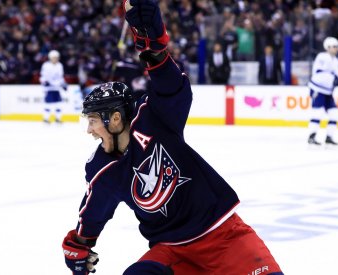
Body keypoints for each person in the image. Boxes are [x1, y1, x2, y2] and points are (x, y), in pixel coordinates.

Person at [61, 1, 283, 274]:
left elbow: (172, 89)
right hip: (171, 250)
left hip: (223, 236)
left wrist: (154, 53)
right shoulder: (102, 167)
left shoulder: (153, 119)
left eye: (93, 121)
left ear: (115, 119)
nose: (89, 130)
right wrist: (79, 244)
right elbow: (94, 210)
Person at [307, 37, 338, 145]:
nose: (337, 49)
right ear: (328, 47)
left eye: (337, 47)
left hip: (328, 91)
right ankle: (312, 136)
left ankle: (329, 137)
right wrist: (334, 74)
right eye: (334, 47)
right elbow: (320, 72)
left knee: (334, 113)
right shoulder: (322, 57)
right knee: (317, 112)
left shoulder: (335, 60)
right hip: (318, 88)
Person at [39, 50, 67, 124]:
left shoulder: (60, 65)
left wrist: (63, 84)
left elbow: (60, 76)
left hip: (57, 88)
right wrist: (45, 82)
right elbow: (43, 76)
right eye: (54, 57)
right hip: (49, 88)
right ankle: (46, 118)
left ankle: (58, 118)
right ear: (50, 58)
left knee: (58, 103)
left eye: (56, 57)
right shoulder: (46, 65)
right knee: (48, 104)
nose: (55, 59)